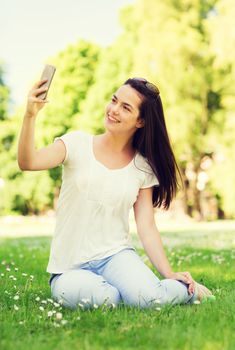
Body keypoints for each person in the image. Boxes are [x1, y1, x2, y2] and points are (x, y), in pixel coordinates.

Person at [18, 76, 214, 310]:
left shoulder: (142, 167)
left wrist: (169, 272)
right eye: (114, 100)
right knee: (106, 299)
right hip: (69, 268)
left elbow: (146, 226)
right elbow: (28, 162)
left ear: (140, 121)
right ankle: (128, 290)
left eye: (125, 107)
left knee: (150, 301)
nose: (113, 110)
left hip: (116, 256)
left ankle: (188, 291)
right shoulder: (76, 144)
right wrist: (30, 115)